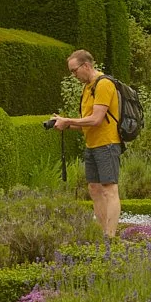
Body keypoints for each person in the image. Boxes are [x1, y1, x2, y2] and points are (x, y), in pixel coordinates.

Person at [51, 49, 123, 239]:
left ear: (86, 66)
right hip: (92, 144)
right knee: (94, 188)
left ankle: (110, 237)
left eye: (74, 70)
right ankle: (102, 233)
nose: (73, 75)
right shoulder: (87, 87)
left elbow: (96, 119)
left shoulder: (104, 84)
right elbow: (86, 123)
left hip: (107, 144)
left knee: (109, 189)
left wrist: (69, 120)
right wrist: (65, 124)